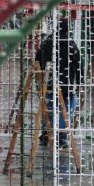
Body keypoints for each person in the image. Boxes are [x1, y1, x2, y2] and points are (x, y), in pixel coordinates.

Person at [35, 17, 81, 147]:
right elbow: (78, 67)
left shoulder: (45, 44)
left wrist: (39, 80)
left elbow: (37, 62)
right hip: (66, 84)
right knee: (66, 109)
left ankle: (46, 134)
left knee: (48, 107)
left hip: (47, 82)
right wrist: (80, 82)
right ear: (68, 30)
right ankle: (61, 136)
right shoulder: (71, 46)